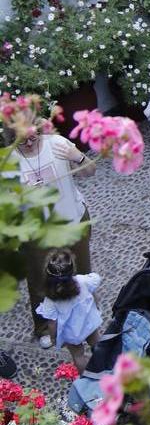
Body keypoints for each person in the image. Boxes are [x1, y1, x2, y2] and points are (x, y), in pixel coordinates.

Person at [13, 118, 95, 348]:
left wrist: (77, 156)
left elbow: (90, 171)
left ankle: (87, 316)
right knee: (39, 280)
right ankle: (42, 327)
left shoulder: (57, 143)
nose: (29, 143)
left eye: (33, 137)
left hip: (72, 221)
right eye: (22, 140)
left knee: (81, 272)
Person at [36, 249, 101, 372]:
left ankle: (88, 376)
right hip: (90, 322)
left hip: (72, 333)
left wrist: (53, 337)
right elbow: (95, 287)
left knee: (78, 355)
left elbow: (52, 323)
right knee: (97, 342)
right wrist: (96, 304)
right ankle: (105, 362)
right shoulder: (82, 280)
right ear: (73, 269)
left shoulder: (50, 299)